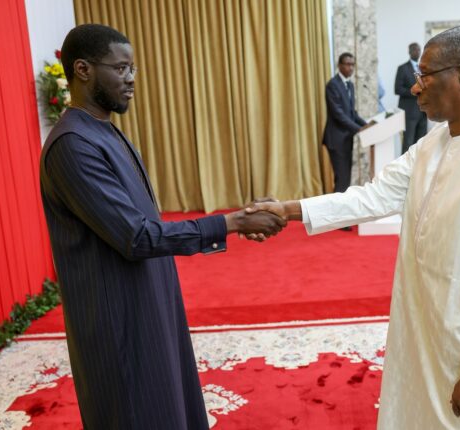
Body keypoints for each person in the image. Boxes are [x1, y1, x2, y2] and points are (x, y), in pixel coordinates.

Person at [248, 26, 460, 429]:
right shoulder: (433, 144)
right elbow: (371, 197)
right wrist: (287, 210)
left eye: (425, 76)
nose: (415, 87)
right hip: (429, 331)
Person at [39, 24, 285, 429]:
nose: (131, 79)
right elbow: (137, 236)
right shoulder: (73, 146)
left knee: (171, 407)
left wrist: (236, 221)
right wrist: (231, 222)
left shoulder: (104, 133)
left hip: (148, 302)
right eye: (121, 68)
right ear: (82, 70)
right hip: (118, 319)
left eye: (133, 68)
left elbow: (143, 225)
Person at [323, 52, 374, 193]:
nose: (350, 68)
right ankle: (336, 206)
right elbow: (338, 114)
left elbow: (352, 113)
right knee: (342, 178)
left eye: (352, 65)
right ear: (339, 65)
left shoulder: (350, 85)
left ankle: (341, 204)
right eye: (347, 64)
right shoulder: (332, 85)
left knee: (345, 178)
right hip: (336, 139)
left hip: (346, 138)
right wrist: (359, 129)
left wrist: (366, 125)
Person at [395, 42, 428, 154]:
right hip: (409, 113)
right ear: (409, 52)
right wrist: (413, 91)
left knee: (421, 143)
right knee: (408, 143)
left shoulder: (423, 69)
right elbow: (397, 89)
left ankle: (419, 165)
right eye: (414, 50)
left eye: (419, 50)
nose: (417, 52)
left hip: (423, 112)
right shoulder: (402, 68)